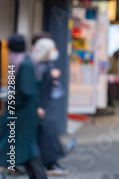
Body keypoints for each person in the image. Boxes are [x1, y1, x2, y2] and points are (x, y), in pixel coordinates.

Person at [0, 34, 48, 179]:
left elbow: (26, 91)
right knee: (25, 147)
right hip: (20, 112)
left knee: (26, 147)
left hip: (21, 113)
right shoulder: (23, 61)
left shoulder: (23, 64)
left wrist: (8, 98)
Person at [31, 38, 69, 176]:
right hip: (41, 106)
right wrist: (39, 106)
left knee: (44, 134)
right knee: (46, 134)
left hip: (44, 105)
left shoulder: (43, 65)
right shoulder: (38, 66)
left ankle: (47, 164)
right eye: (52, 49)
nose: (55, 52)